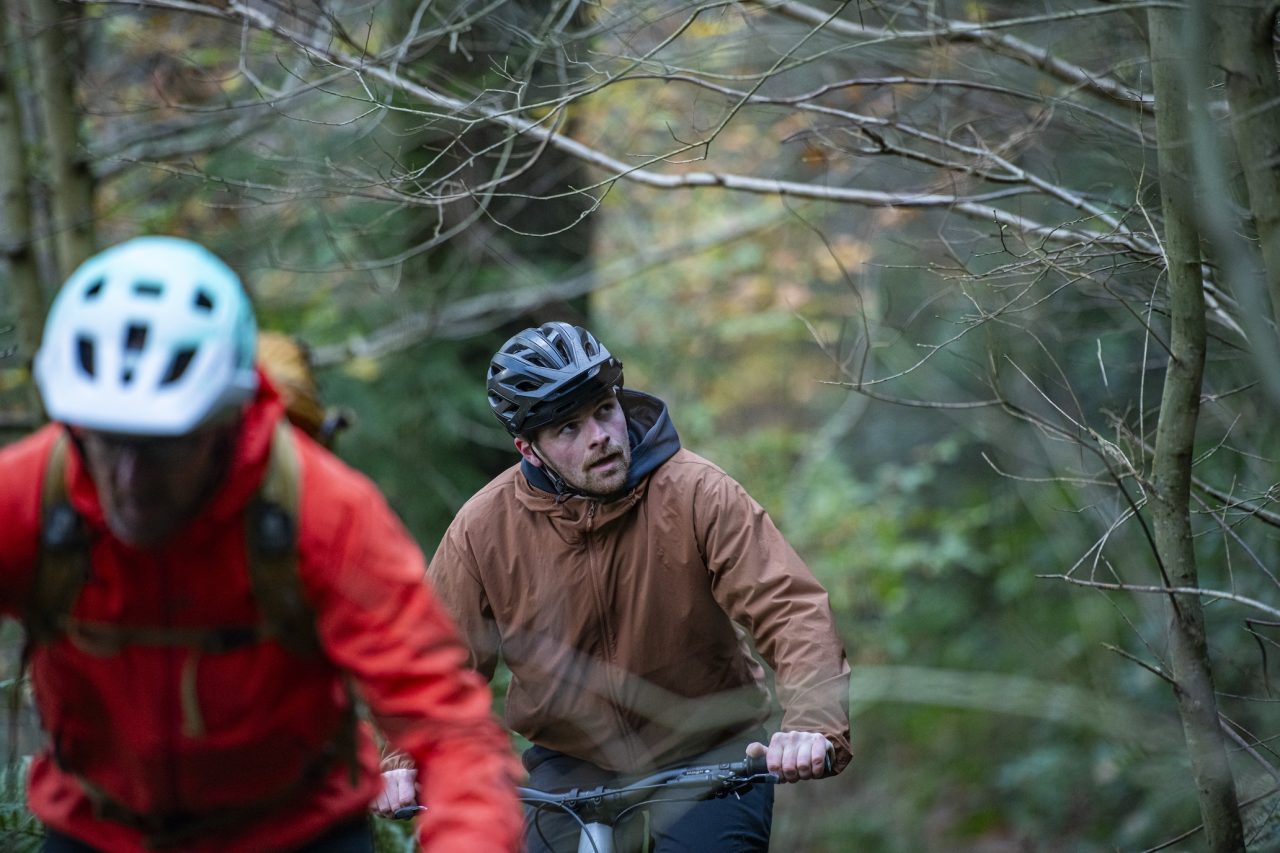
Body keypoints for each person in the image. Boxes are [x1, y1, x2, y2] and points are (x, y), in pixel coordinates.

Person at [0, 236, 524, 852]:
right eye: (106, 441)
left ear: (226, 420)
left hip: (296, 832)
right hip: (98, 829)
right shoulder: (33, 494)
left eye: (164, 447)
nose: (129, 482)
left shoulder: (323, 511)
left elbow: (448, 726)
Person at [418, 320, 852, 851]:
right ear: (529, 450)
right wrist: (404, 761)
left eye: (604, 410)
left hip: (710, 750)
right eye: (568, 429)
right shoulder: (483, 528)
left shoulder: (698, 492)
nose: (599, 436)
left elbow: (790, 609)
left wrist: (812, 724)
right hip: (571, 764)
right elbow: (433, 662)